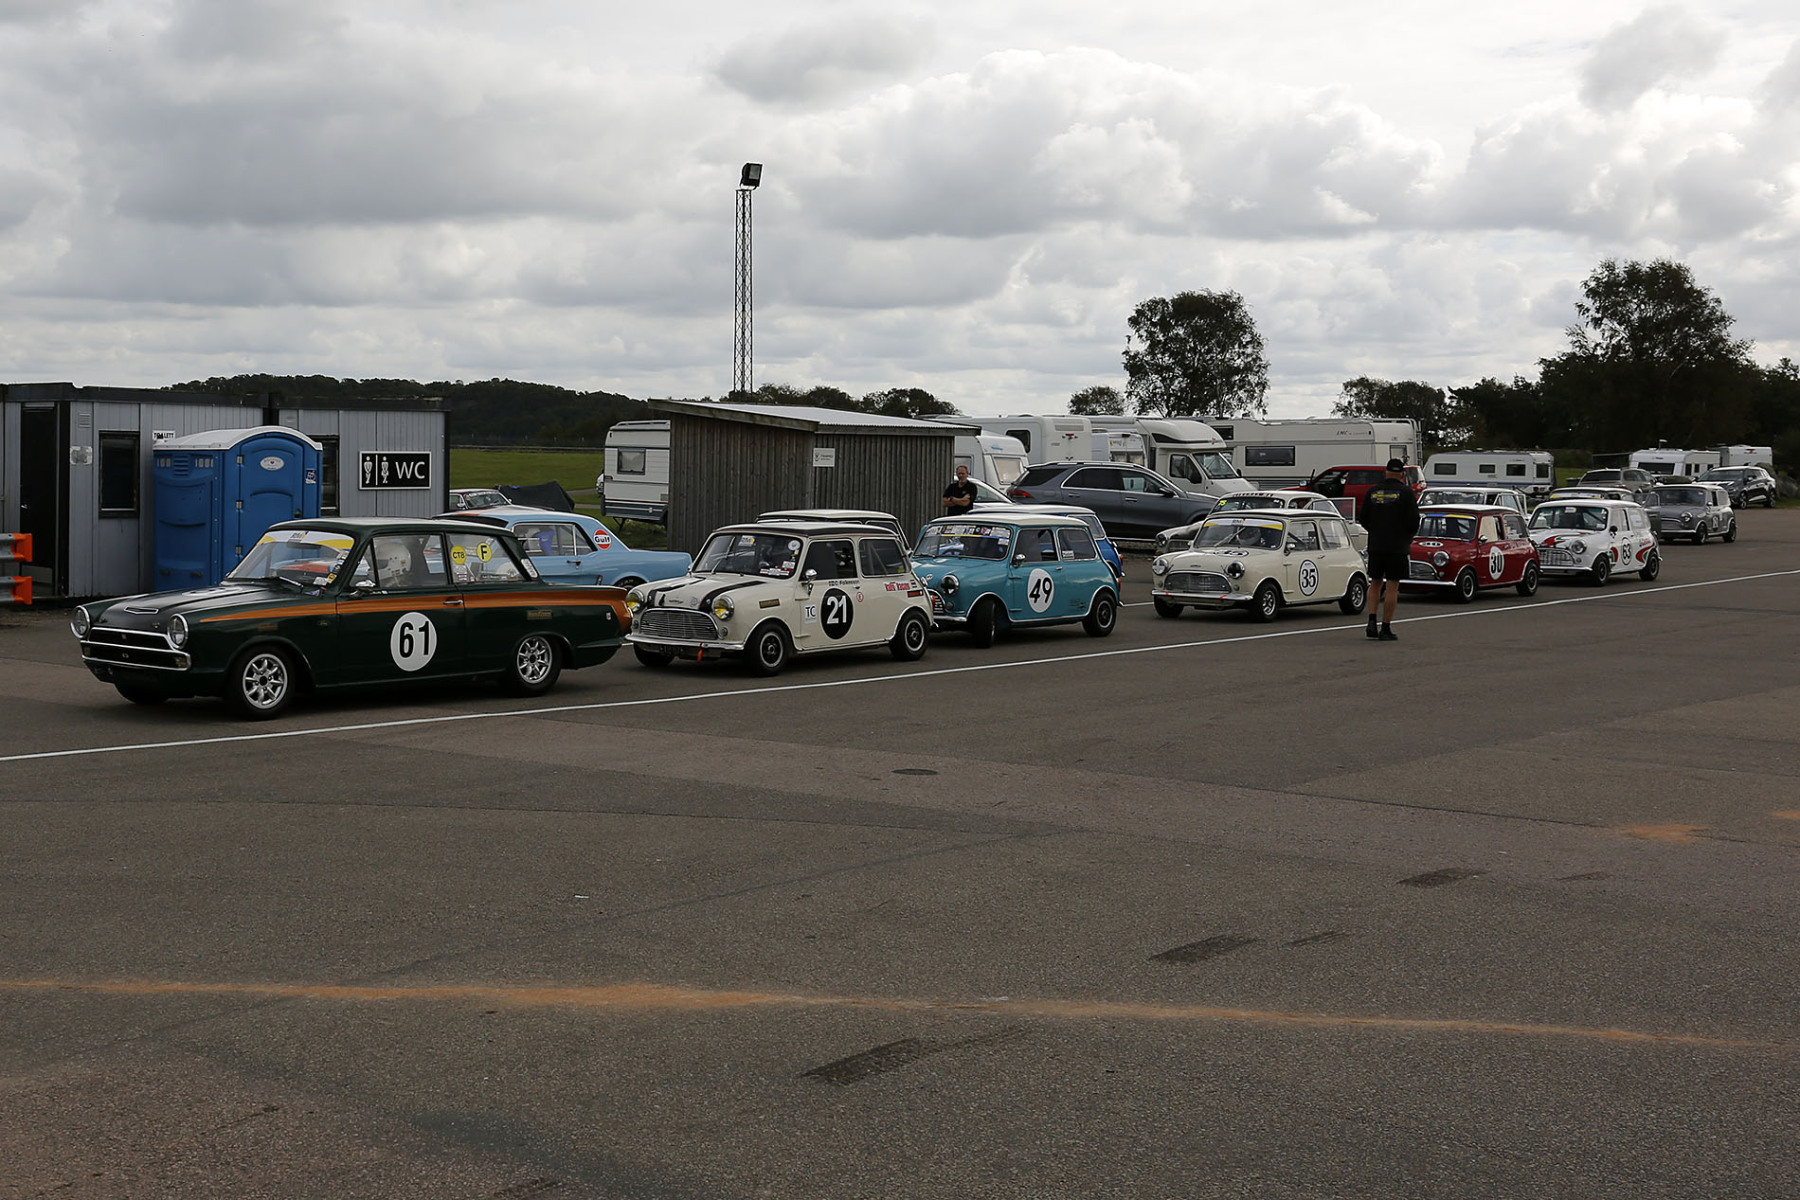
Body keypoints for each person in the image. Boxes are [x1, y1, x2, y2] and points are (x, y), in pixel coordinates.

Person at [1360, 458, 1419, 641]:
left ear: (1385, 473)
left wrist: (1375, 530)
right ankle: (1385, 627)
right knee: (1392, 585)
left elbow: (1363, 518)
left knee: (1375, 582)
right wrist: (1406, 536)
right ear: (1402, 474)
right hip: (1397, 546)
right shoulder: (1406, 493)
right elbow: (1413, 521)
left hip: (1376, 544)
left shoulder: (1373, 491)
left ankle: (1371, 620)